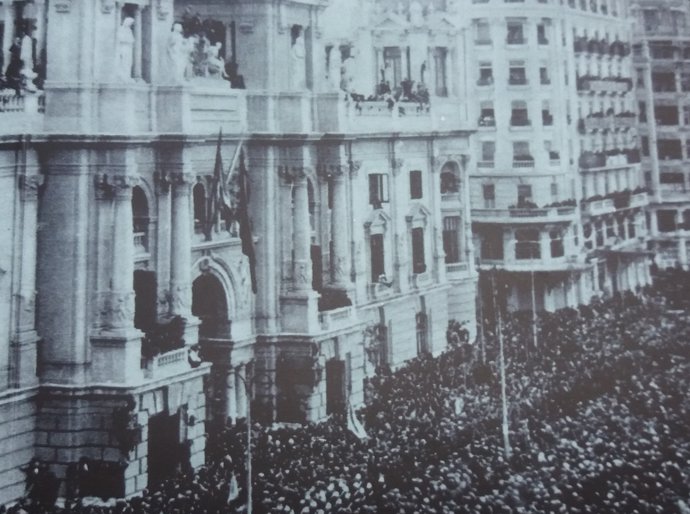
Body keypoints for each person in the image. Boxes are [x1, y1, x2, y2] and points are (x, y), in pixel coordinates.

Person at [116, 17, 135, 81]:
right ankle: (122, 76)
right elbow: (120, 39)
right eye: (130, 23)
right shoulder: (121, 29)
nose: (131, 25)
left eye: (131, 24)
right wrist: (128, 40)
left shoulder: (129, 30)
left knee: (128, 63)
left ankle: (127, 76)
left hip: (129, 48)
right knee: (123, 62)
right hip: (123, 48)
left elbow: (132, 40)